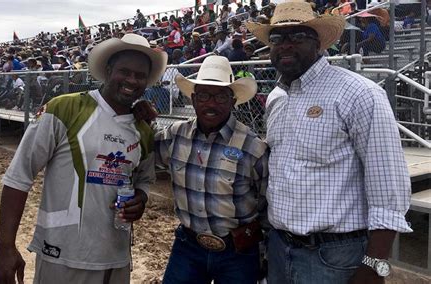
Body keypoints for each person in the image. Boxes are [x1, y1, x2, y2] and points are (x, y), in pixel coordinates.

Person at [246, 1, 411, 283]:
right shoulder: (276, 98)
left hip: (335, 257)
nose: (285, 45)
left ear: (319, 43)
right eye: (277, 38)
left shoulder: (359, 94)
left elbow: (389, 190)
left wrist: (374, 266)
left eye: (298, 37)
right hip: (279, 249)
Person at [0, 34, 168, 284]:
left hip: (117, 259)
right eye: (124, 71)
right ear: (108, 70)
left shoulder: (143, 129)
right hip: (62, 256)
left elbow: (144, 180)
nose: (132, 80)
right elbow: (18, 177)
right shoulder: (64, 109)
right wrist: (5, 247)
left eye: (140, 75)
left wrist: (141, 198)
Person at [138, 55, 269, 284]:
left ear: (232, 100)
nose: (211, 103)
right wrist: (140, 119)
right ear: (194, 99)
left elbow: (266, 203)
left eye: (220, 96)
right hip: (188, 246)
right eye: (205, 96)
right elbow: (140, 153)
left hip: (238, 250)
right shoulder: (175, 135)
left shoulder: (253, 147)